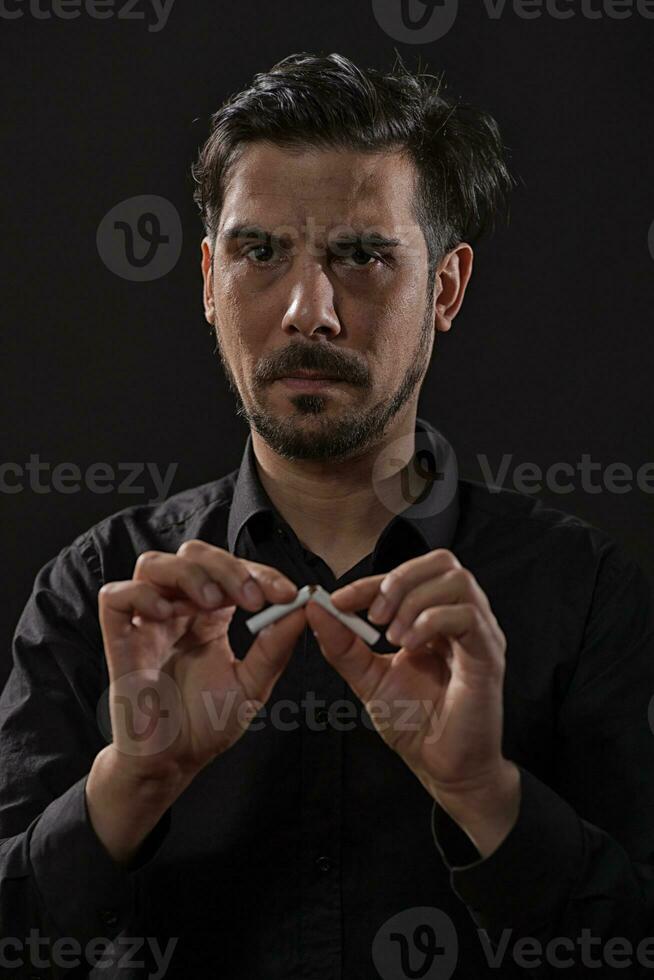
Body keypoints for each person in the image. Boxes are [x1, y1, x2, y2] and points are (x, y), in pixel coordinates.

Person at [1, 51, 653, 980]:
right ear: (205, 281)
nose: (310, 311)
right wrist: (129, 785)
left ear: (446, 289)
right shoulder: (93, 594)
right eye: (258, 252)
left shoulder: (585, 596)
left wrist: (486, 796)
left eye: (362, 256)